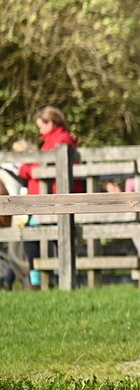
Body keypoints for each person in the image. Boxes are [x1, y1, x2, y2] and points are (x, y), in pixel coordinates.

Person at [16, 107, 83, 289]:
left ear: (50, 123)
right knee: (35, 238)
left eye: (41, 126)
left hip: (51, 202)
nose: (39, 131)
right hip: (44, 201)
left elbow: (38, 167)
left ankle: (48, 280)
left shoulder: (61, 140)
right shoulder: (52, 141)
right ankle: (43, 279)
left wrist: (25, 168)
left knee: (41, 239)